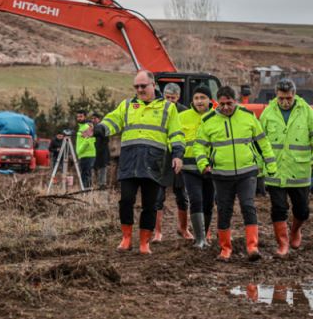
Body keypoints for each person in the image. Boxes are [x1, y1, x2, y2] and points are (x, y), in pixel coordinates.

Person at [84, 70, 184, 254]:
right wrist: (97, 129)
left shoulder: (168, 108)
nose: (139, 89)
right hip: (130, 161)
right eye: (136, 86)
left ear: (153, 85)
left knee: (150, 204)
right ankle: (126, 238)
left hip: (153, 163)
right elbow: (112, 122)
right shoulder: (127, 105)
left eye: (143, 86)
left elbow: (176, 134)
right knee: (126, 200)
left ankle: (145, 242)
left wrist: (178, 155)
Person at [195, 85, 277, 261]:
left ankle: (252, 247)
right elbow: (199, 145)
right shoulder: (208, 120)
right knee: (224, 210)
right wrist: (203, 163)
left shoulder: (248, 116)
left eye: (229, 103)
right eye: (222, 104)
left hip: (247, 172)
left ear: (236, 101)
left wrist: (270, 165)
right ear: (217, 102)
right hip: (221, 174)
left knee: (248, 207)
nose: (225, 107)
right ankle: (225, 249)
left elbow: (263, 142)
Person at [260, 78, 313, 257]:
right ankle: (283, 245)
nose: (284, 102)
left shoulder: (306, 111)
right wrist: (260, 165)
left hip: (299, 171)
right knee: (279, 208)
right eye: (281, 98)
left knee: (302, 210)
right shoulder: (268, 112)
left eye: (288, 98)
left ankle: (295, 230)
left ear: (294, 95)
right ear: (276, 95)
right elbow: (259, 140)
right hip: (274, 171)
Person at [179, 86, 216, 248]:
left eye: (203, 97)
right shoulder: (182, 117)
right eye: (196, 98)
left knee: (208, 202)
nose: (199, 101)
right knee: (196, 199)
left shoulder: (217, 116)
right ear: (192, 101)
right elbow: (173, 138)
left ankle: (204, 236)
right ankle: (199, 239)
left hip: (211, 167)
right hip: (189, 167)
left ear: (210, 100)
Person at [153, 82, 189, 241]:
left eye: (173, 98)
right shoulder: (157, 110)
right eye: (167, 97)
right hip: (162, 157)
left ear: (178, 97)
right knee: (158, 196)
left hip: (179, 157)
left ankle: (184, 229)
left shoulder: (184, 112)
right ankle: (157, 232)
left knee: (182, 194)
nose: (170, 101)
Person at [75, 110, 95, 189]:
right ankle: (85, 191)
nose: (79, 118)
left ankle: (86, 192)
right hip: (83, 154)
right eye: (78, 117)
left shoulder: (87, 127)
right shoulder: (81, 127)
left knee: (86, 175)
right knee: (84, 174)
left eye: (81, 116)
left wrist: (80, 150)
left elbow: (89, 140)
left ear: (85, 117)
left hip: (87, 154)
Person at [91, 112, 110, 188]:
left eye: (94, 118)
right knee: (93, 167)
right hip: (94, 151)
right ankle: (94, 184)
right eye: (92, 118)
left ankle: (102, 184)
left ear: (99, 119)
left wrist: (100, 149)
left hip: (102, 151)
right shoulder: (93, 127)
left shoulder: (103, 126)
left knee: (102, 168)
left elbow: (106, 139)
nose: (93, 120)